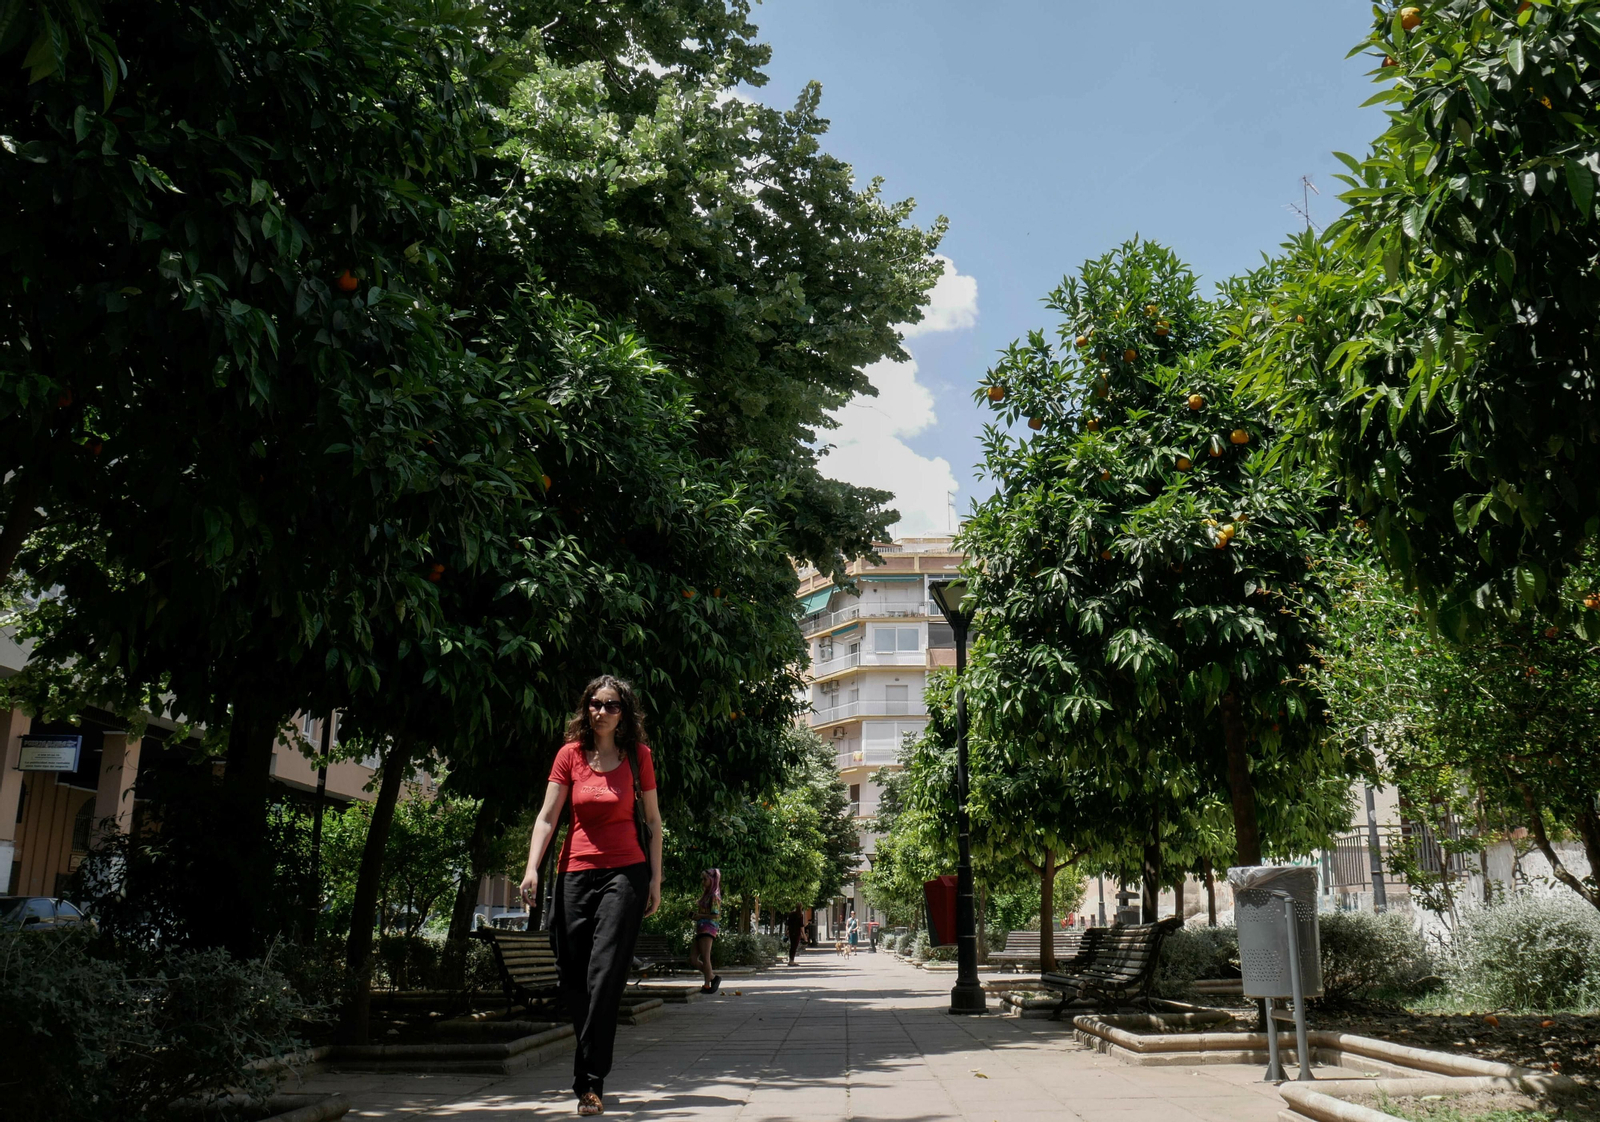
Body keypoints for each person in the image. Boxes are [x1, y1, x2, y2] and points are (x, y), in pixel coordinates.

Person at [520, 675, 663, 1117]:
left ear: (624, 713)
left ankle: (590, 1081)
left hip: (625, 873)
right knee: (574, 975)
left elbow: (653, 822)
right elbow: (547, 817)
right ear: (586, 708)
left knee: (604, 977)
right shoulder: (570, 755)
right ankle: (589, 1070)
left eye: (612, 705)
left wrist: (655, 879)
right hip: (574, 874)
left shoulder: (638, 757)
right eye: (595, 704)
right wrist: (531, 867)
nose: (602, 711)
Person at [688, 868, 722, 993]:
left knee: (705, 957)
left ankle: (707, 985)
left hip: (708, 929)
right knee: (692, 959)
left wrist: (700, 916)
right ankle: (712, 977)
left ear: (712, 880)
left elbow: (715, 915)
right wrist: (696, 916)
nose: (703, 882)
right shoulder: (706, 895)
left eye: (705, 879)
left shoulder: (714, 896)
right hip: (700, 928)